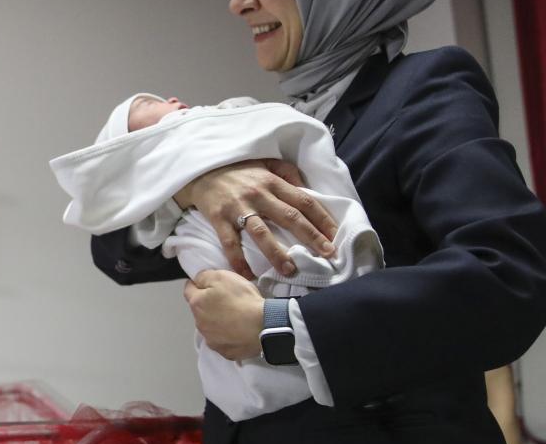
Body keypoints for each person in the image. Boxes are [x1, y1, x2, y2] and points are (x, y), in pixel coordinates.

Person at [88, 0, 546, 444]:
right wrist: (194, 184)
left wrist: (277, 328)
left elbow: (507, 276)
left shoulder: (423, 90)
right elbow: (115, 252)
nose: (239, 1)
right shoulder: (268, 127)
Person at [52, 92, 382, 422]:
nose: (172, 98)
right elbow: (109, 248)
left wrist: (279, 323)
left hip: (352, 349)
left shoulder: (234, 117)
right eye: (146, 105)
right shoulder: (155, 184)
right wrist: (184, 189)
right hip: (254, 383)